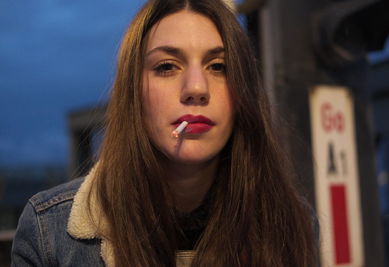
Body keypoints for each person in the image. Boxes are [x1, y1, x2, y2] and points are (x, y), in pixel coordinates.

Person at [11, 0, 318, 266]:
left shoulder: (290, 221)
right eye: (167, 67)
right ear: (134, 94)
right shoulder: (48, 230)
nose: (196, 88)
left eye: (219, 67)